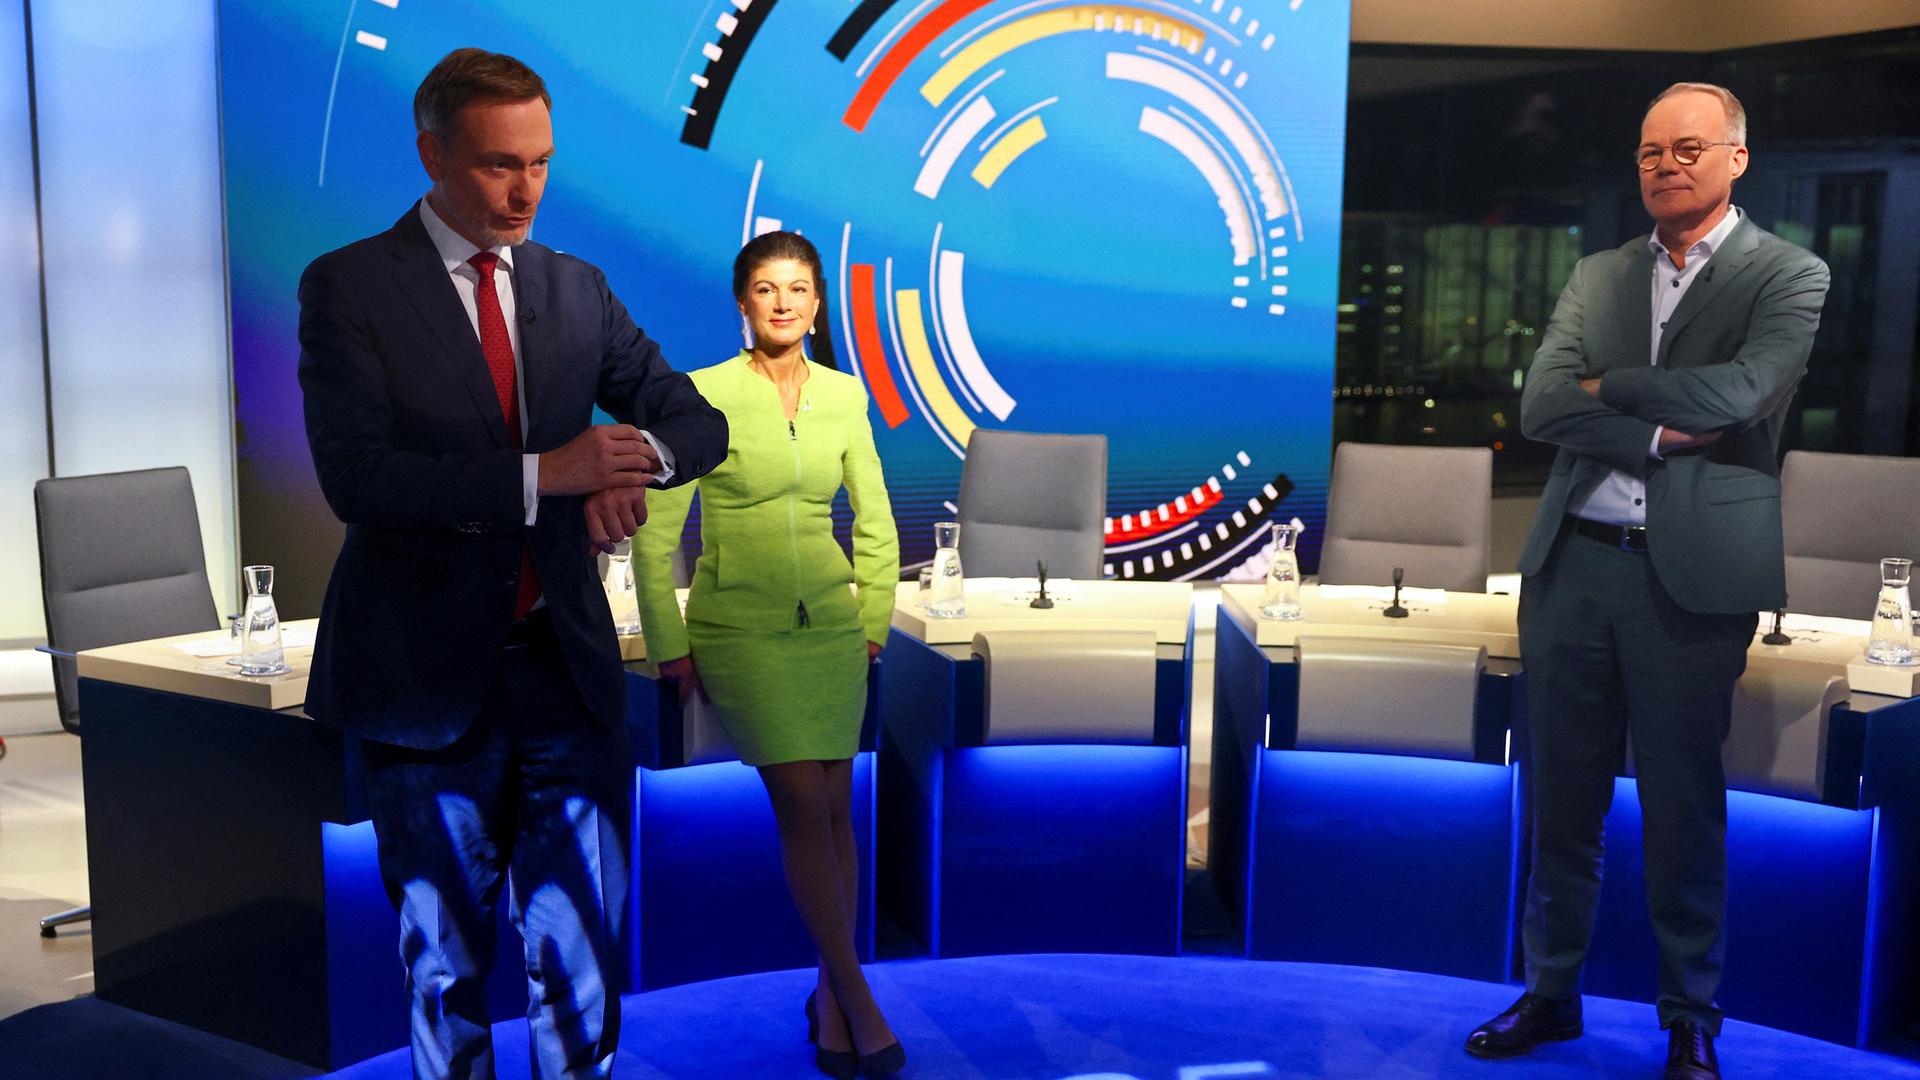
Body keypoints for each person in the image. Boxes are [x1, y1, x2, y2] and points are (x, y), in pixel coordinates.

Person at [298, 48, 727, 1080]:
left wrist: (635, 462)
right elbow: (361, 479)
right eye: (498, 165)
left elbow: (691, 417)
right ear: (433, 153)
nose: (524, 189)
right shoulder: (350, 285)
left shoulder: (574, 289)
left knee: (582, 958)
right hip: (422, 684)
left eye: (538, 162)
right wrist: (549, 473)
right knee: (442, 963)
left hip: (564, 673)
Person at [1463, 83, 1828, 1080]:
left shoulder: (1790, 274)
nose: (1666, 164)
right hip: (1572, 566)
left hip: (1694, 580)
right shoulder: (1600, 272)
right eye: (1650, 151)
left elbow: (1743, 394)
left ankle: (1690, 1018)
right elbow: (1541, 404)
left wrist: (1607, 387)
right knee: (1561, 803)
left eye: (1689, 148)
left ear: (1736, 158)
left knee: (1682, 807)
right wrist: (1663, 428)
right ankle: (1550, 994)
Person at [632, 231, 903, 1079]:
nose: (782, 303)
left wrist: (873, 622)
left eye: (797, 289)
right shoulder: (699, 399)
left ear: (817, 304)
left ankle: (828, 1000)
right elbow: (652, 538)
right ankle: (857, 994)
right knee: (800, 803)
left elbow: (878, 521)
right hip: (738, 631)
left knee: (836, 807)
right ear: (742, 303)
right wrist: (671, 644)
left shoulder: (846, 396)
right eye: (764, 289)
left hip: (830, 627)